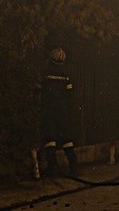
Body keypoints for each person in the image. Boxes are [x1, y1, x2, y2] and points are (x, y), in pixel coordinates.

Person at [41, 45, 78, 177]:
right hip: (63, 109)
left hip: (49, 107)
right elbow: (70, 94)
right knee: (66, 137)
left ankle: (52, 167)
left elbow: (39, 90)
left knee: (50, 138)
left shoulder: (45, 73)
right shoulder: (65, 75)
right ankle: (73, 166)